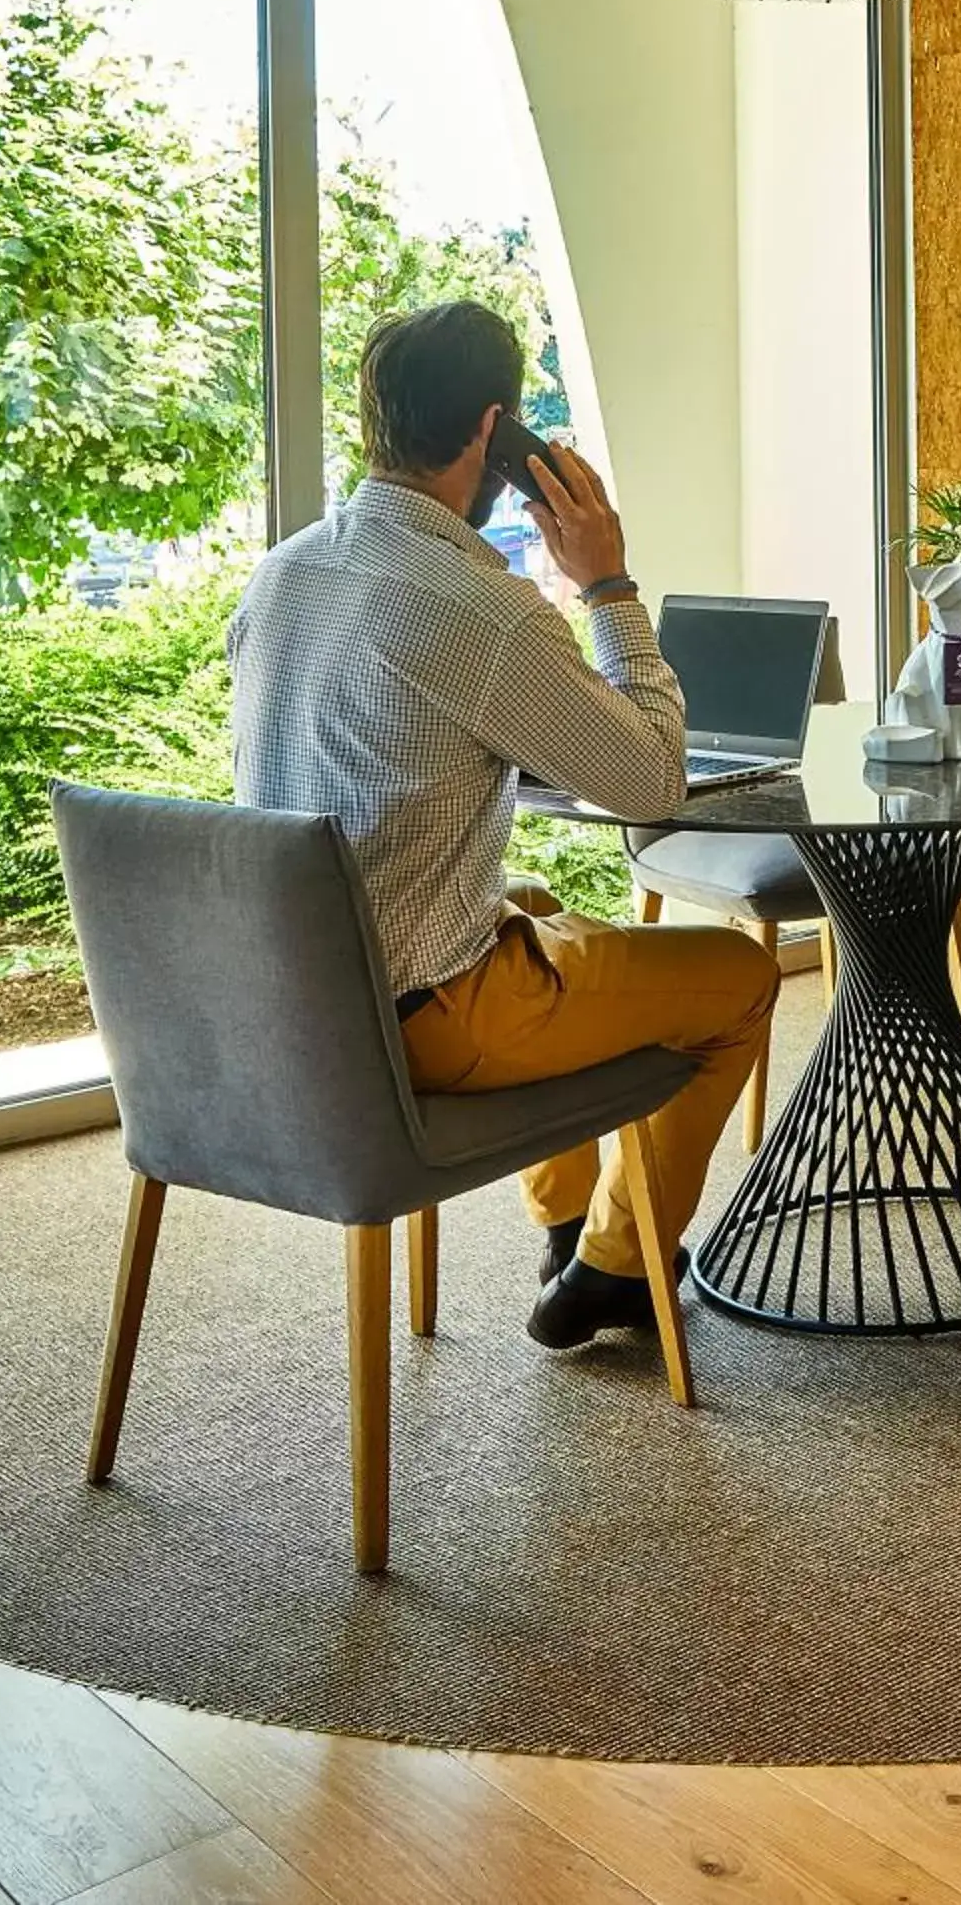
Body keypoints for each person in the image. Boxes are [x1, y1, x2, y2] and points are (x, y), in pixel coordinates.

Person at [227, 299, 777, 1349]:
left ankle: (568, 1222)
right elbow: (650, 781)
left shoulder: (284, 573)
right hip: (418, 1020)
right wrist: (607, 584)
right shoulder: (481, 607)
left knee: (529, 902)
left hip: (296, 999)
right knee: (739, 984)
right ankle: (618, 1268)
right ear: (494, 433)